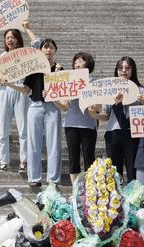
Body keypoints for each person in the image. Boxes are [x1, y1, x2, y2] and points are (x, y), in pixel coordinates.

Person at [4, 38, 66, 188]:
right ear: (41, 50)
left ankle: (53, 178)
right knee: (33, 143)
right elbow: (26, 90)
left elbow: (64, 93)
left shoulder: (60, 70)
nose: (48, 50)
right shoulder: (34, 68)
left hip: (53, 107)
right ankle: (34, 177)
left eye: (51, 48)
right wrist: (10, 84)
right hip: (36, 105)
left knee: (54, 144)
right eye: (46, 47)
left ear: (55, 50)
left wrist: (56, 75)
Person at [0, 21, 37, 172]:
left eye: (13, 37)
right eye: (7, 37)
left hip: (21, 90)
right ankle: (4, 162)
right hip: (5, 92)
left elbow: (37, 45)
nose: (10, 40)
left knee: (23, 129)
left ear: (18, 39)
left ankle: (23, 161)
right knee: (3, 129)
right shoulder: (2, 56)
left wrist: (27, 28)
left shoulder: (24, 53)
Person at [102, 56, 144, 182]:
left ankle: (133, 199)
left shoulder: (141, 90)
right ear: (116, 70)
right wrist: (93, 113)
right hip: (113, 132)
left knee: (132, 170)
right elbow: (105, 115)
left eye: (127, 68)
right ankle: (116, 200)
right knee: (113, 172)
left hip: (132, 134)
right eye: (120, 68)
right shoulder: (109, 89)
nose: (123, 71)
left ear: (133, 70)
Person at [62, 52, 102, 184]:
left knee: (89, 156)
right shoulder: (69, 81)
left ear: (88, 64)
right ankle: (76, 189)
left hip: (88, 124)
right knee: (73, 157)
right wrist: (53, 96)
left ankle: (90, 187)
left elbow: (98, 107)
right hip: (71, 124)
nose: (77, 63)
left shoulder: (94, 83)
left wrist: (94, 106)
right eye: (75, 61)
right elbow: (65, 105)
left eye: (81, 61)